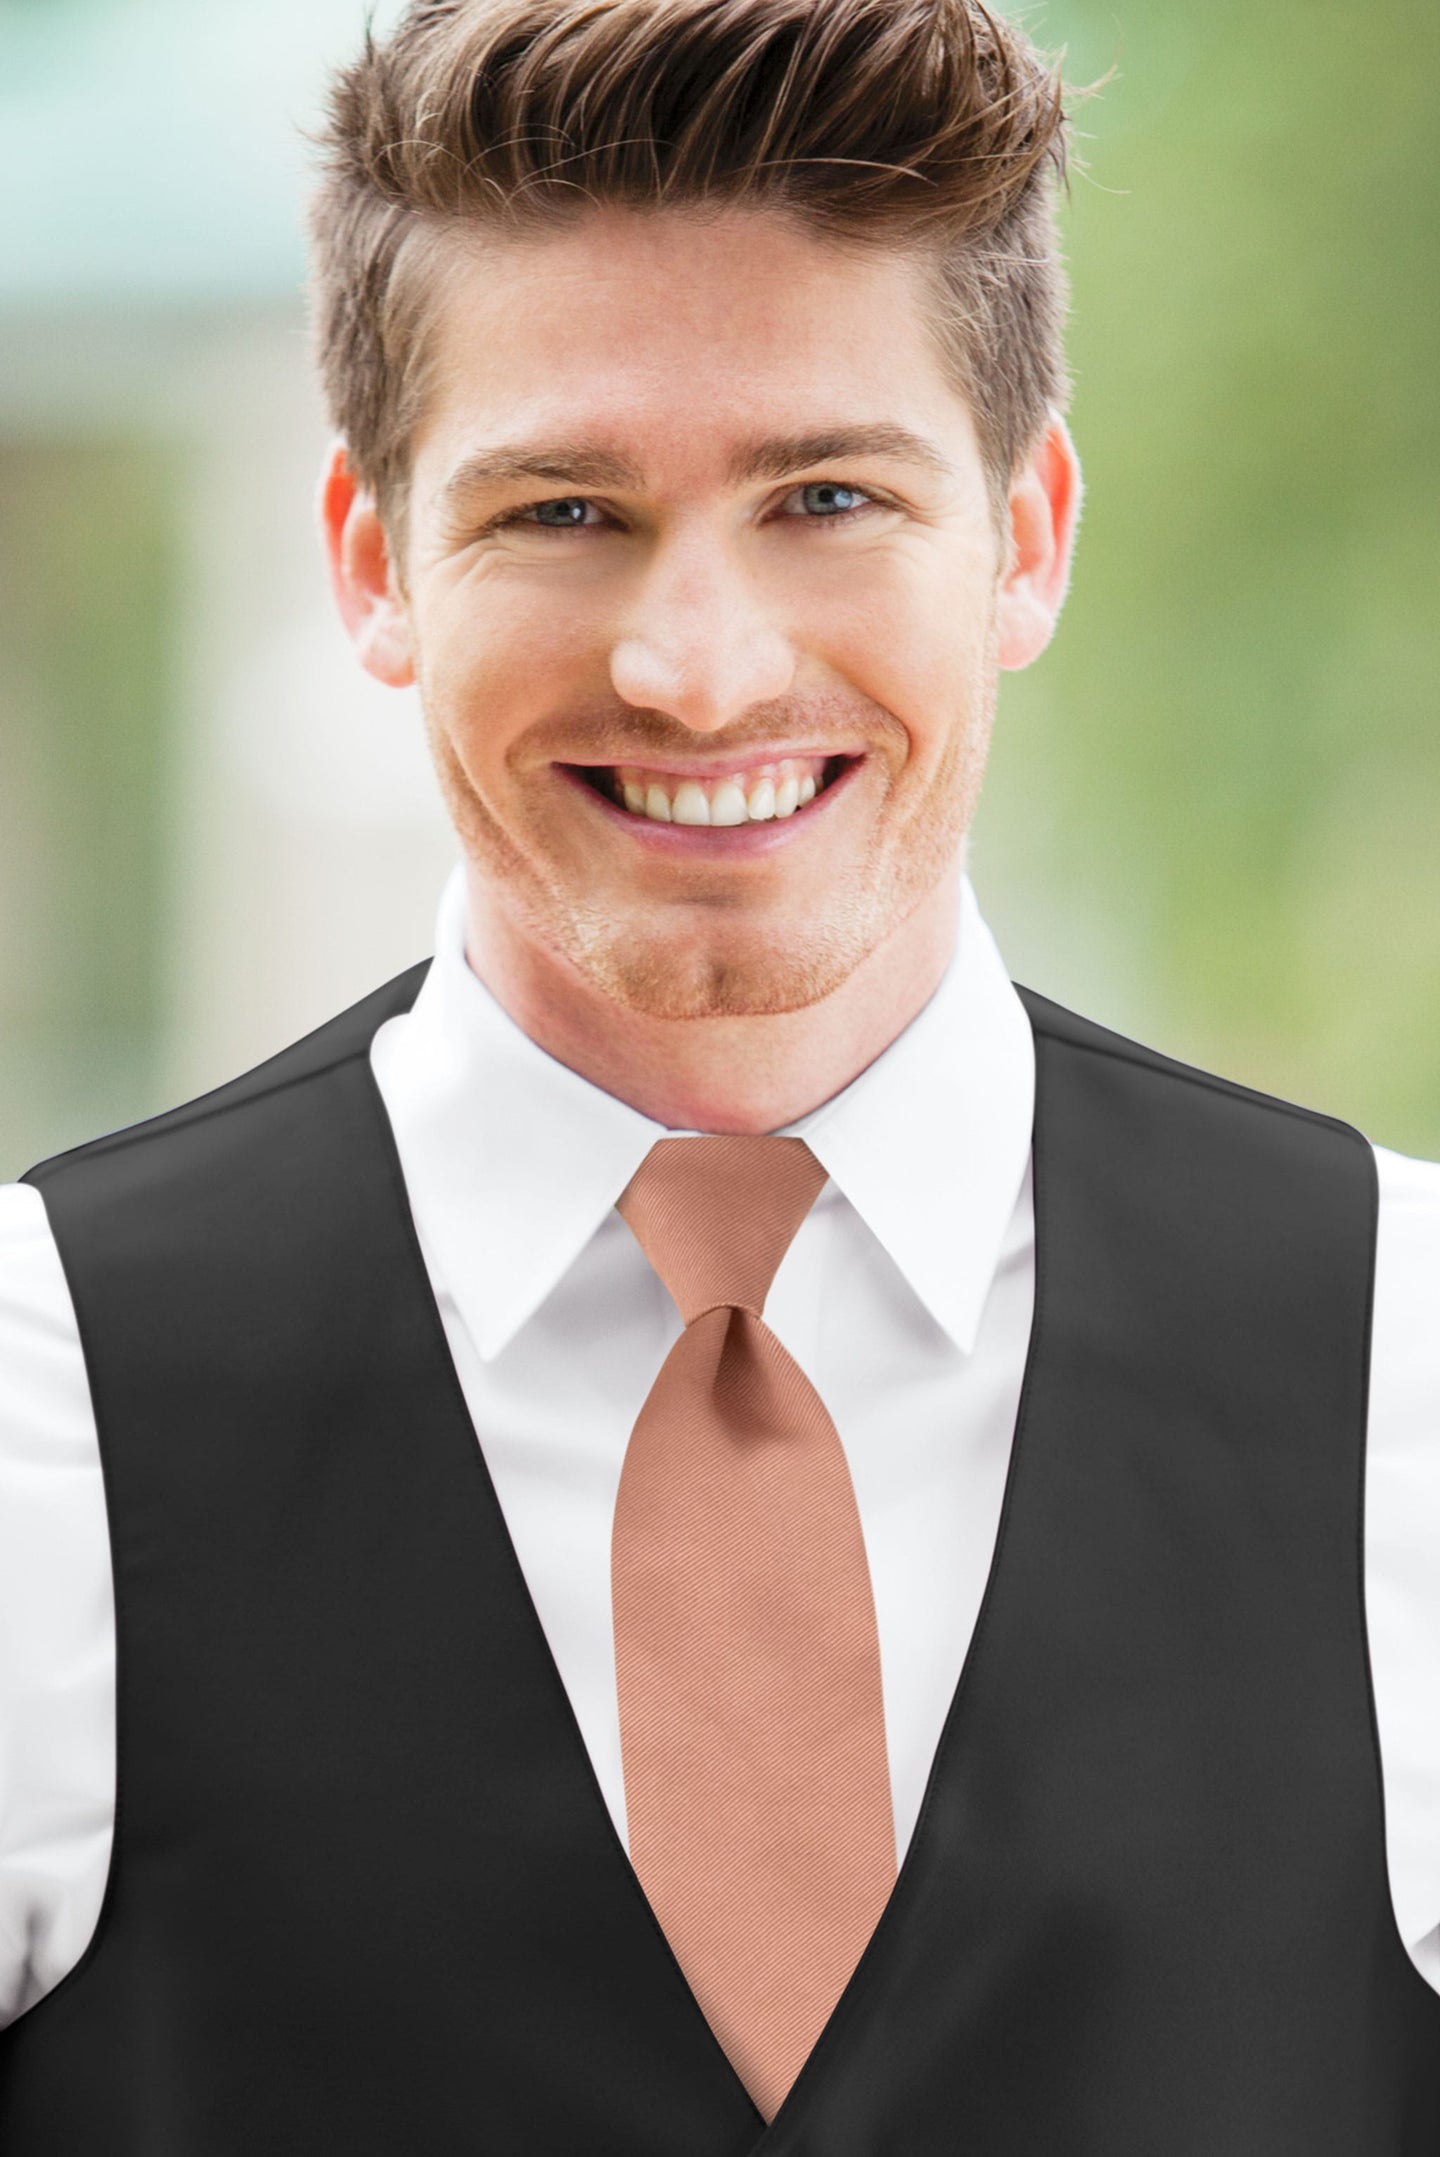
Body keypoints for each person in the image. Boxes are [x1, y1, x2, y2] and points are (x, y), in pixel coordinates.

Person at [0, 0, 1437, 2145]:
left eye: (829, 494)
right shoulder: (29, 1402)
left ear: (1027, 535)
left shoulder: (1417, 1356)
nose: (699, 667)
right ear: (373, 559)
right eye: (564, 509)